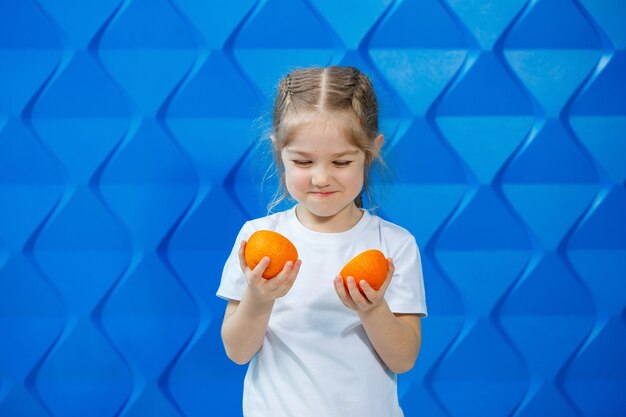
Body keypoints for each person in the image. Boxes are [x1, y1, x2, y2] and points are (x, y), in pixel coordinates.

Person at [217, 66, 427, 417]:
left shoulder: (394, 246)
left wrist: (372, 309)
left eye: (342, 161)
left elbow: (403, 359)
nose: (321, 177)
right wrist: (257, 297)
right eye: (302, 161)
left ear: (372, 150)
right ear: (278, 150)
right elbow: (237, 352)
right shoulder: (256, 239)